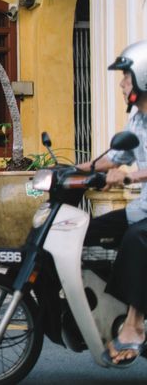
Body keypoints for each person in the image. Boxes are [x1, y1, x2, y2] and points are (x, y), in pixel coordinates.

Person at [78, 40, 147, 368]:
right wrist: (72, 171)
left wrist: (130, 176)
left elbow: (126, 169)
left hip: (144, 216)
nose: (121, 85)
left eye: (127, 78)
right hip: (142, 209)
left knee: (137, 239)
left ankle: (135, 324)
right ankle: (105, 311)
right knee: (86, 232)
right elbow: (114, 159)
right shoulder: (136, 121)